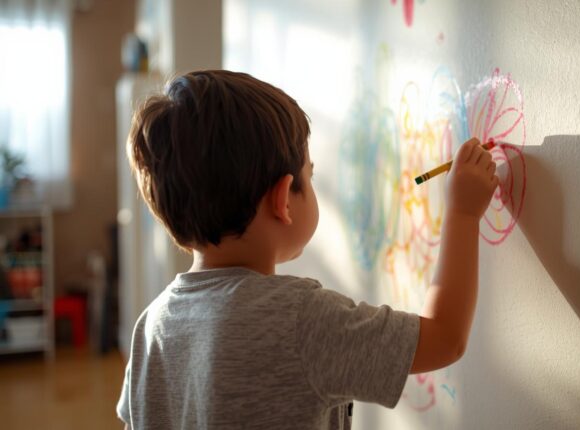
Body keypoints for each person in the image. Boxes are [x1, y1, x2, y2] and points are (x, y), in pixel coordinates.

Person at [117, 70, 498, 429]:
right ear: (283, 199)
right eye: (309, 174)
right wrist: (463, 213)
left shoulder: (151, 325)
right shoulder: (302, 320)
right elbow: (445, 338)